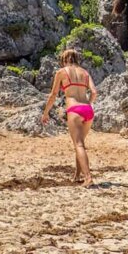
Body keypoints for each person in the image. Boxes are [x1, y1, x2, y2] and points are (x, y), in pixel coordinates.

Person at [41, 50, 98, 187]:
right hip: (88, 110)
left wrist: (45, 113)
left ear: (64, 59)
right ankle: (77, 175)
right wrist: (88, 104)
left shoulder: (61, 72)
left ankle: (88, 178)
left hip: (74, 109)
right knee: (81, 144)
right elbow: (94, 92)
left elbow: (53, 95)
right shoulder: (85, 73)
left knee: (78, 144)